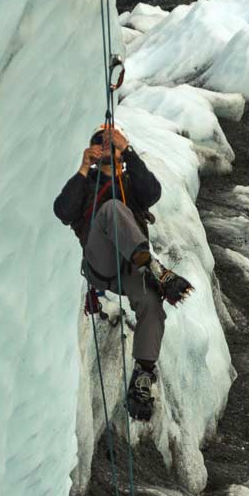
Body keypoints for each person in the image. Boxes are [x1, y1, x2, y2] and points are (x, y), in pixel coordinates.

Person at [53, 124, 192, 420]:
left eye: (109, 143)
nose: (104, 146)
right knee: (112, 209)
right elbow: (63, 211)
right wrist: (82, 168)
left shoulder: (131, 183)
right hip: (101, 264)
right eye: (98, 142)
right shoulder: (87, 185)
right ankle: (154, 267)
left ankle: (143, 373)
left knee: (152, 302)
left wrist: (127, 149)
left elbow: (152, 193)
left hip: (130, 267)